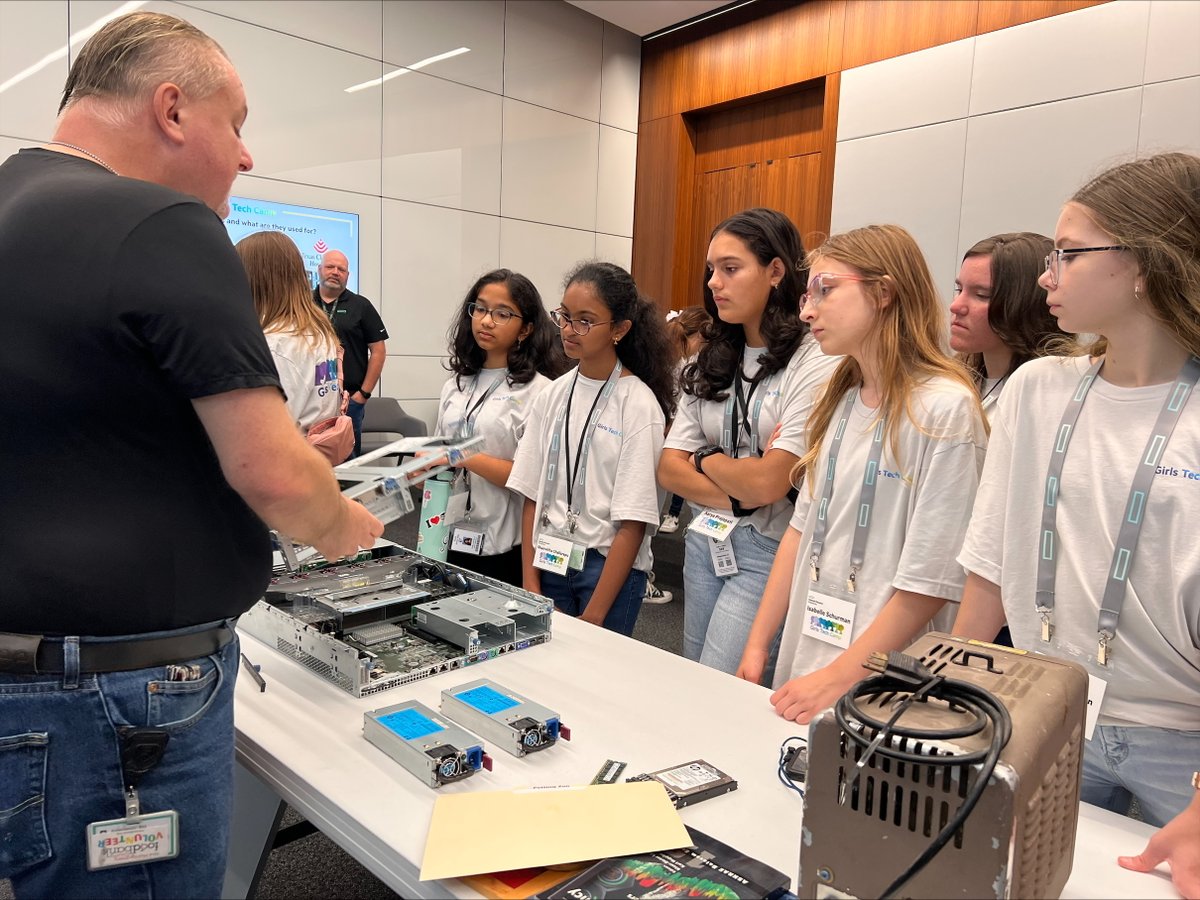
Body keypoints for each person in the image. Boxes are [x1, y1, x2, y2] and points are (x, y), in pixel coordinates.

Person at [0, 12, 382, 898]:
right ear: (171, 109)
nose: (246, 155)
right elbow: (273, 474)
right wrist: (338, 519)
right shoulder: (162, 220)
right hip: (122, 703)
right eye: (235, 123)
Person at [953, 153, 1200, 867]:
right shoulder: (1038, 390)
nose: (1045, 276)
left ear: (1145, 264)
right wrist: (952, 695)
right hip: (1047, 707)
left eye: (1067, 253)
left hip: (1183, 743)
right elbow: (990, 561)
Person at [736, 224, 986, 723]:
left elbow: (929, 580)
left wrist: (840, 676)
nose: (807, 312)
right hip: (812, 651)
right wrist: (758, 642)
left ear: (883, 292)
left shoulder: (946, 410)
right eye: (807, 295)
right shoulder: (841, 399)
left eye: (825, 290)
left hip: (883, 677)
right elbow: (801, 530)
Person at [657, 208, 837, 680]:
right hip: (705, 538)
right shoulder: (712, 359)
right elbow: (669, 468)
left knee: (724, 684)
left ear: (775, 271)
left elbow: (771, 482)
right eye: (711, 269)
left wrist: (704, 457)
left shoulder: (814, 360)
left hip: (768, 549)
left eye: (731, 268)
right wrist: (742, 491)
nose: (714, 282)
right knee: (696, 678)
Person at [508, 261, 675, 636]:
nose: (568, 330)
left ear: (619, 329)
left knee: (596, 671)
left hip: (606, 569)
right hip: (549, 558)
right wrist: (530, 583)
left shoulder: (637, 404)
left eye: (585, 321)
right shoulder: (552, 395)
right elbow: (532, 494)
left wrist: (597, 614)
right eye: (565, 316)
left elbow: (634, 520)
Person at [435, 269, 567, 586]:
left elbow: (532, 480)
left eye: (502, 314)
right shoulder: (456, 384)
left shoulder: (540, 391)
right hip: (447, 532)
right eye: (480, 309)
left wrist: (462, 456)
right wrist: (426, 465)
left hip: (506, 544)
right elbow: (441, 452)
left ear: (526, 329)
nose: (486, 321)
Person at [236, 230, 346, 441]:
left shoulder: (275, 344)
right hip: (315, 454)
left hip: (286, 455)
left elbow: (266, 435)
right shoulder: (318, 332)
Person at [950, 231, 1068, 418]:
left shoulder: (1051, 399)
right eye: (959, 289)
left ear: (1025, 305)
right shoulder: (950, 382)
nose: (956, 306)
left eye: (981, 295)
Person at [645, 306, 713, 606]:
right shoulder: (691, 364)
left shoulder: (663, 356)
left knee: (644, 515)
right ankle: (641, 581)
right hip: (662, 443)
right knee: (645, 516)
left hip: (657, 441)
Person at [313, 248, 388, 456]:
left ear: (347, 275)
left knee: (349, 460)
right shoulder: (303, 303)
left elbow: (379, 351)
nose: (335, 272)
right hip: (312, 399)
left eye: (341, 269)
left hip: (349, 401)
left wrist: (363, 395)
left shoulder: (361, 306)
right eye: (330, 267)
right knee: (310, 461)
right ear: (319, 269)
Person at [657, 306, 712, 536]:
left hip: (679, 421)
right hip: (673, 420)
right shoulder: (680, 360)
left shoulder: (699, 359)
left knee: (684, 466)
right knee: (679, 466)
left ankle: (674, 513)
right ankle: (673, 514)